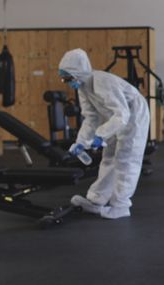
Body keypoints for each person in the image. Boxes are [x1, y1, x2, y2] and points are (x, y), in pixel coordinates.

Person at [58, 49, 150, 220]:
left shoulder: (102, 81)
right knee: (108, 157)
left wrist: (101, 135)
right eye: (64, 79)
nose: (66, 82)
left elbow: (122, 114)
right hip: (115, 118)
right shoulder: (83, 87)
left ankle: (121, 205)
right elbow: (91, 117)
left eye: (67, 78)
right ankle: (97, 199)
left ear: (77, 73)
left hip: (134, 114)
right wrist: (82, 142)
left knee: (125, 159)